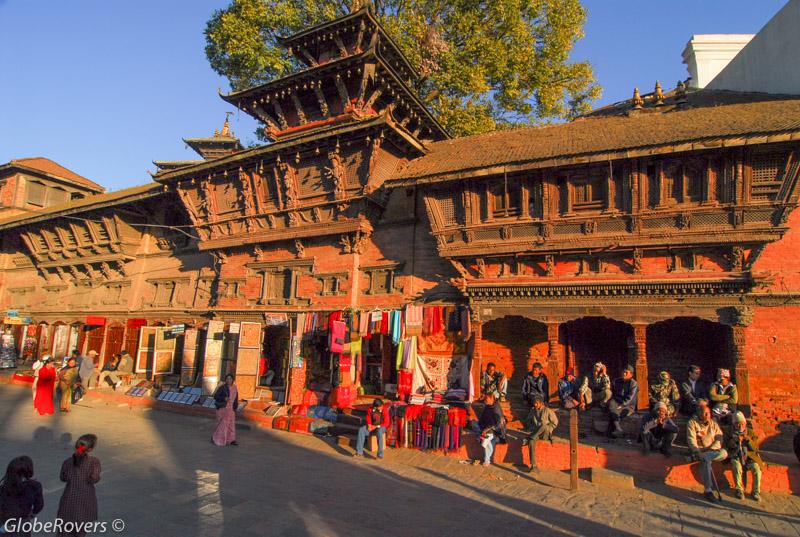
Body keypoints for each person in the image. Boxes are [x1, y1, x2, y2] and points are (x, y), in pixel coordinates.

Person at [57, 434, 101, 537]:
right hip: (86, 500)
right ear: (90, 449)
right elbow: (94, 478)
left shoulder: (67, 462)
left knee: (63, 531)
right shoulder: (94, 462)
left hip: (68, 499)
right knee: (80, 531)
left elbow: (63, 478)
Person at [687, 405, 727, 502]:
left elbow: (719, 438)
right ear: (699, 414)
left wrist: (711, 449)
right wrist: (697, 451)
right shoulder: (692, 423)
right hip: (699, 451)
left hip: (712, 451)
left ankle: (706, 457)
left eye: (708, 413)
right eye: (705, 413)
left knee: (724, 453)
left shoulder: (713, 423)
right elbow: (691, 440)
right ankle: (708, 490)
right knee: (706, 460)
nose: (707, 415)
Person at [0, 456, 44, 537]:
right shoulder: (35, 486)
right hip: (22, 522)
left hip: (4, 522)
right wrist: (32, 513)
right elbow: (39, 506)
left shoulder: (3, 485)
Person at [725, 411, 763, 501]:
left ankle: (756, 491)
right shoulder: (729, 431)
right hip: (736, 455)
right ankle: (739, 489)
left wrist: (748, 440)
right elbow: (726, 445)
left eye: (742, 424)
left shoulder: (750, 432)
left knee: (756, 468)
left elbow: (756, 448)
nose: (740, 426)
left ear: (745, 423)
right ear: (734, 424)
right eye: (737, 424)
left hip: (749, 457)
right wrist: (735, 441)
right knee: (736, 466)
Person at [522, 395, 558, 473]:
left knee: (544, 425)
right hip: (536, 433)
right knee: (531, 442)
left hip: (546, 433)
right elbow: (527, 421)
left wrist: (549, 429)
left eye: (536, 403)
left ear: (541, 403)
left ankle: (531, 437)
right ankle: (533, 466)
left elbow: (555, 423)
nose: (535, 405)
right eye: (534, 403)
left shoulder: (547, 410)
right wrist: (531, 427)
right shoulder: (532, 411)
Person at [608, 365, 639, 438]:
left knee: (617, 413)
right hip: (617, 402)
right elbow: (613, 393)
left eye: (626, 372)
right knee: (612, 405)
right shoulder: (617, 381)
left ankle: (615, 430)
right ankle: (618, 428)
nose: (624, 374)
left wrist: (622, 405)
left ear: (631, 374)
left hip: (628, 405)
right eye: (623, 372)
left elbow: (630, 398)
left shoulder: (633, 384)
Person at [475, 392, 504, 466]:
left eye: (486, 399)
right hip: (486, 427)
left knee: (486, 441)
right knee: (473, 423)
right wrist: (483, 427)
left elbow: (498, 424)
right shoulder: (488, 406)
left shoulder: (496, 409)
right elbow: (483, 418)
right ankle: (487, 459)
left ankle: (487, 460)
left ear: (491, 399)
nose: (485, 400)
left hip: (496, 430)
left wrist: (486, 429)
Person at [211, 374, 239, 446]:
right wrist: (224, 398)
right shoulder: (222, 388)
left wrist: (235, 408)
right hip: (223, 408)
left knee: (231, 425)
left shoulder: (235, 388)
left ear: (233, 380)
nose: (228, 380)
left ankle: (231, 440)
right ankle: (217, 438)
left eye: (230, 379)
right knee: (222, 424)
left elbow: (236, 399)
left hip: (231, 409)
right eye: (227, 379)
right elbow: (216, 396)